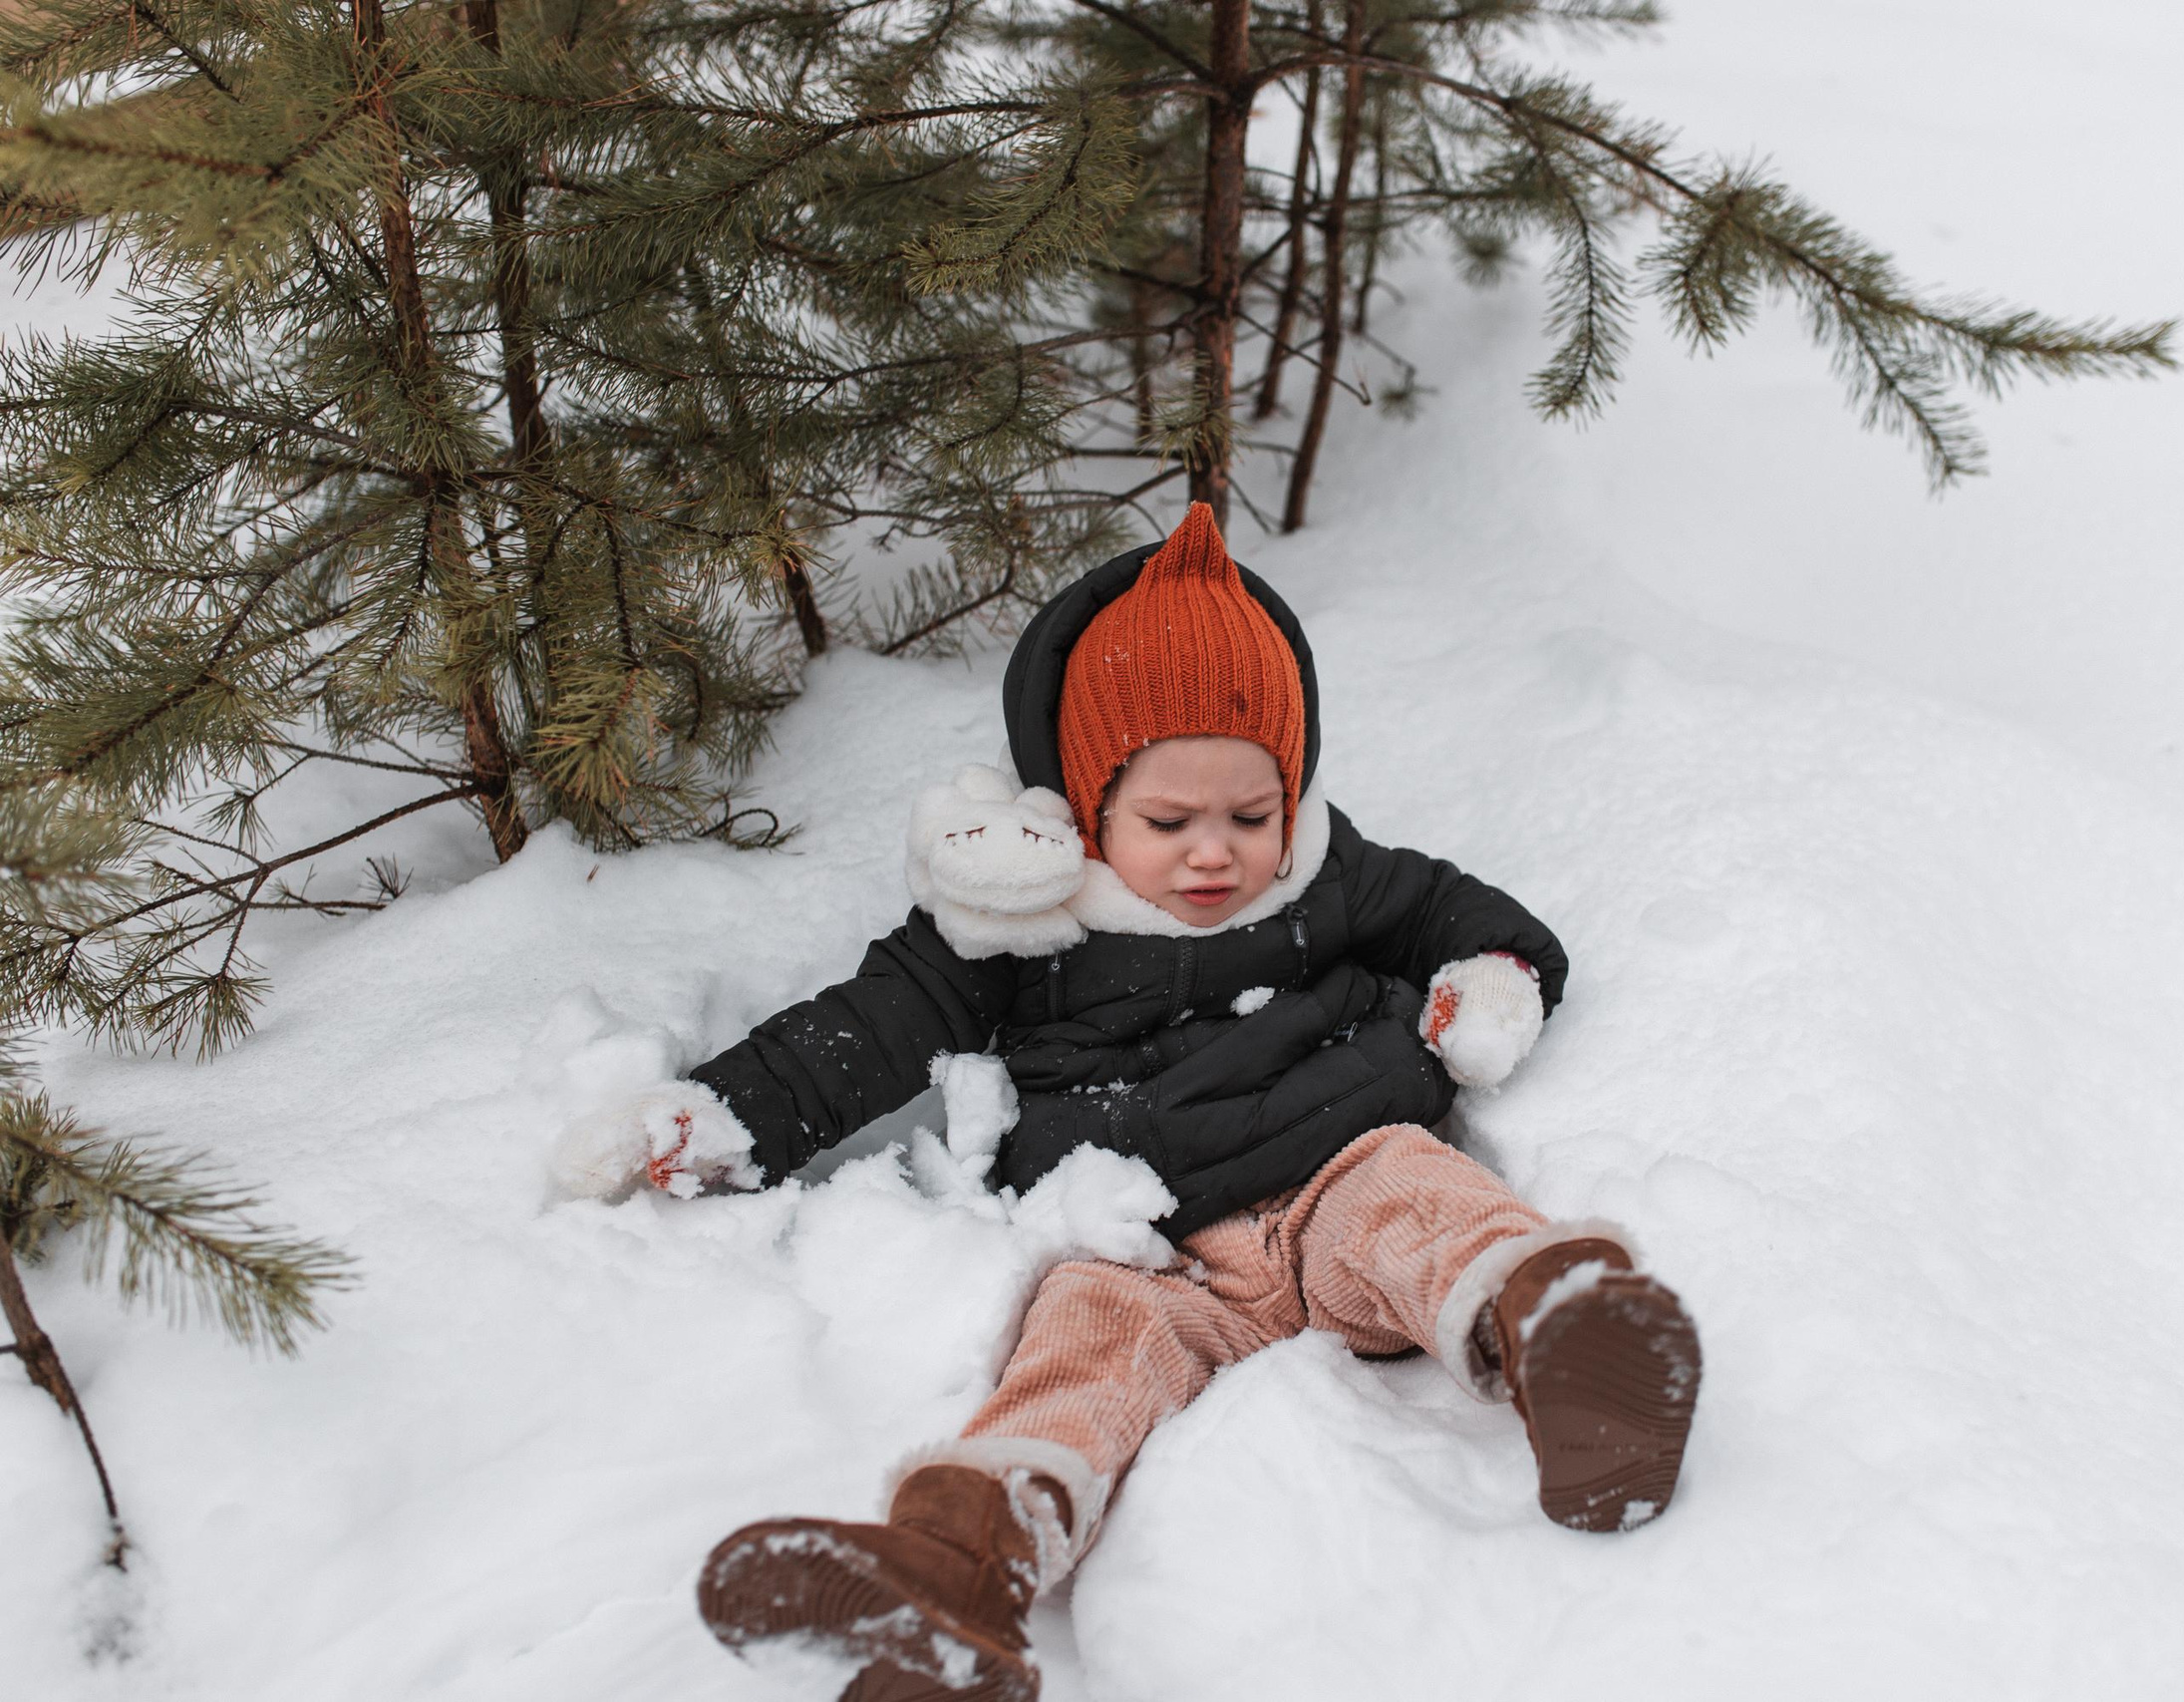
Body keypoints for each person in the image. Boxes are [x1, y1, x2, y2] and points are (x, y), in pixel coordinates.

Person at [556, 504, 1701, 1701]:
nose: (1216, 854)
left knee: (1423, 1201)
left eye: (1250, 817)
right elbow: (869, 1028)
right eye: (1167, 823)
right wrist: (724, 1114)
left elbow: (1460, 915)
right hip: (1146, 1250)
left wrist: (1493, 981)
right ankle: (965, 1560)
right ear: (1086, 799)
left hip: (1332, 1172)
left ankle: (1562, 1338)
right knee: (1079, 1351)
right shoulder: (1016, 919)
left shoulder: (1328, 869)